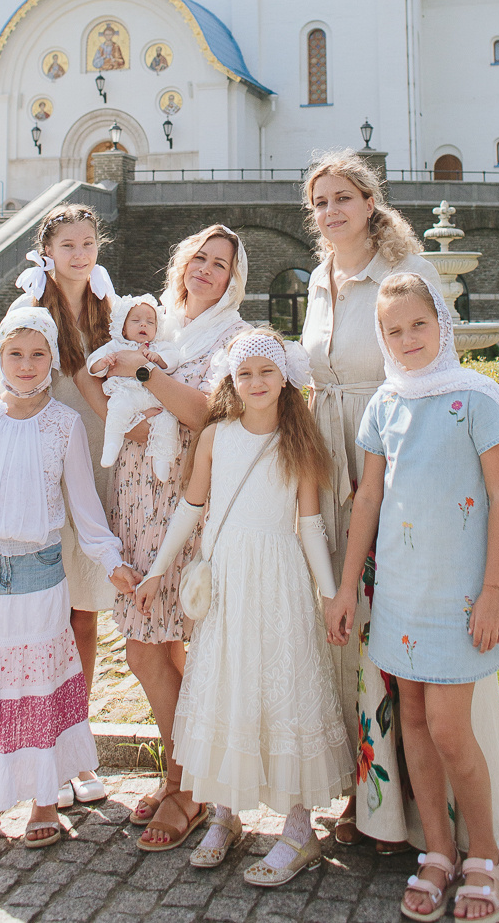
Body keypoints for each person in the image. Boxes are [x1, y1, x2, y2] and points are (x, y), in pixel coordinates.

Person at [301, 150, 499, 852]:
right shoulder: (318, 279)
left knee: (409, 641)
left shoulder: (408, 272)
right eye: (320, 202)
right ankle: (370, 796)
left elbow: (438, 364)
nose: (332, 211)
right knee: (353, 629)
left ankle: (429, 816)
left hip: (403, 464)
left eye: (343, 197)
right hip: (336, 462)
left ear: (370, 202)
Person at [327, 272, 499, 922]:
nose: (408, 338)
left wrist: (494, 591)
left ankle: (485, 857)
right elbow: (368, 499)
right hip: (399, 593)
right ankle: (438, 851)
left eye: (419, 324)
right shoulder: (384, 405)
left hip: (460, 596)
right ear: (382, 339)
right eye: (394, 330)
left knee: (448, 728)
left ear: (442, 323)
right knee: (412, 720)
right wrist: (346, 588)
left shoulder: (478, 398)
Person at [135, 329, 352, 884]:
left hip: (279, 582)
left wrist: (331, 594)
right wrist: (157, 571)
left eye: (266, 372)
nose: (256, 382)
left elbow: (310, 525)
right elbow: (191, 507)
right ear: (231, 380)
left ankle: (299, 829)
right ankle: (225, 813)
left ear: (285, 378)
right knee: (227, 686)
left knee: (284, 688)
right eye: (245, 373)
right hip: (228, 582)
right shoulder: (216, 437)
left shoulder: (297, 442)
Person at [0, 308, 139, 852]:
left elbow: (86, 508)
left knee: (39, 687)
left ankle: (45, 798)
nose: (25, 365)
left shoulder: (64, 425)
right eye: (15, 354)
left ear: (52, 360)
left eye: (37, 355)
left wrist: (111, 561)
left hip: (42, 576)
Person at [100, 225, 250, 850]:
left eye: (220, 264)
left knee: (149, 648)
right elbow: (102, 374)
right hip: (137, 494)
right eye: (200, 258)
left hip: (184, 499)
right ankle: (185, 773)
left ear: (233, 279)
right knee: (159, 647)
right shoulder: (155, 322)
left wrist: (141, 374)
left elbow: (205, 411)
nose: (206, 270)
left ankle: (186, 784)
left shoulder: (231, 337)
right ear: (183, 261)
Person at [0, 202, 116, 805]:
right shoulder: (30, 309)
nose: (80, 255)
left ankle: (73, 746)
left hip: (94, 461)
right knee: (45, 617)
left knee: (83, 612)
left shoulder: (108, 307)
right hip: (41, 468)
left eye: (88, 243)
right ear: (47, 251)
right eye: (68, 245)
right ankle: (41, 746)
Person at [87, 294, 180, 480]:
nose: (143, 324)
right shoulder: (116, 345)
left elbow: (173, 361)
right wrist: (103, 362)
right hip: (127, 393)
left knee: (167, 420)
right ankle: (111, 444)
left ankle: (162, 459)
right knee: (117, 409)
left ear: (157, 328)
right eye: (136, 321)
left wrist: (159, 359)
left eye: (150, 322)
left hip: (154, 397)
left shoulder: (159, 347)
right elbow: (92, 364)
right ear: (123, 327)